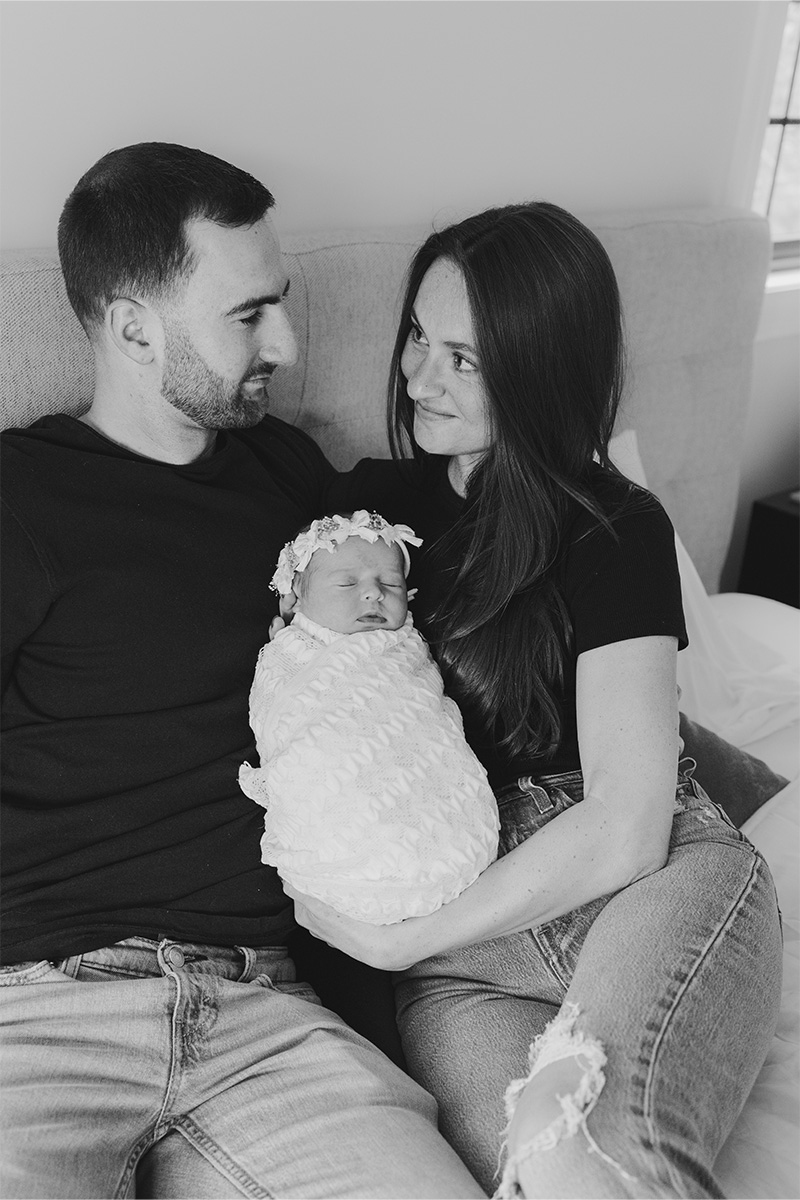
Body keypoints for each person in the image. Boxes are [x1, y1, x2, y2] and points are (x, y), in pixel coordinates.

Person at [0, 143, 486, 1200]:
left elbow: (492, 522)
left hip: (263, 1015)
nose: (289, 343)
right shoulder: (19, 498)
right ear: (133, 328)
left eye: (285, 305)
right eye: (248, 315)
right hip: (40, 1016)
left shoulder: (291, 480)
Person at [285, 201, 785, 1198]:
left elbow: (629, 819)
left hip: (641, 885)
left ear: (539, 369)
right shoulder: (360, 518)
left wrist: (403, 938)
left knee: (587, 1153)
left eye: (463, 360)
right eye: (418, 339)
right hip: (463, 968)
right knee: (531, 1184)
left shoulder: (611, 527)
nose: (418, 376)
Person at [239, 509, 499, 924]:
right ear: (294, 598)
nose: (374, 594)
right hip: (347, 827)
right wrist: (288, 651)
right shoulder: (293, 651)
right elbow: (285, 718)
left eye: (391, 584)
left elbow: (424, 716)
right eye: (347, 582)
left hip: (445, 827)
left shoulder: (404, 647)